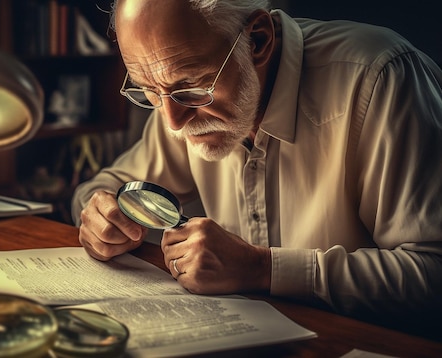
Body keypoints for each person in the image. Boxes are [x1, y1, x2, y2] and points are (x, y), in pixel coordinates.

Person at [71, 0, 442, 337]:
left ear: (258, 40)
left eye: (193, 87)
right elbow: (105, 187)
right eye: (148, 90)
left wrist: (262, 269)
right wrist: (99, 215)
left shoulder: (379, 78)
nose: (173, 123)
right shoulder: (174, 95)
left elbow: (433, 277)